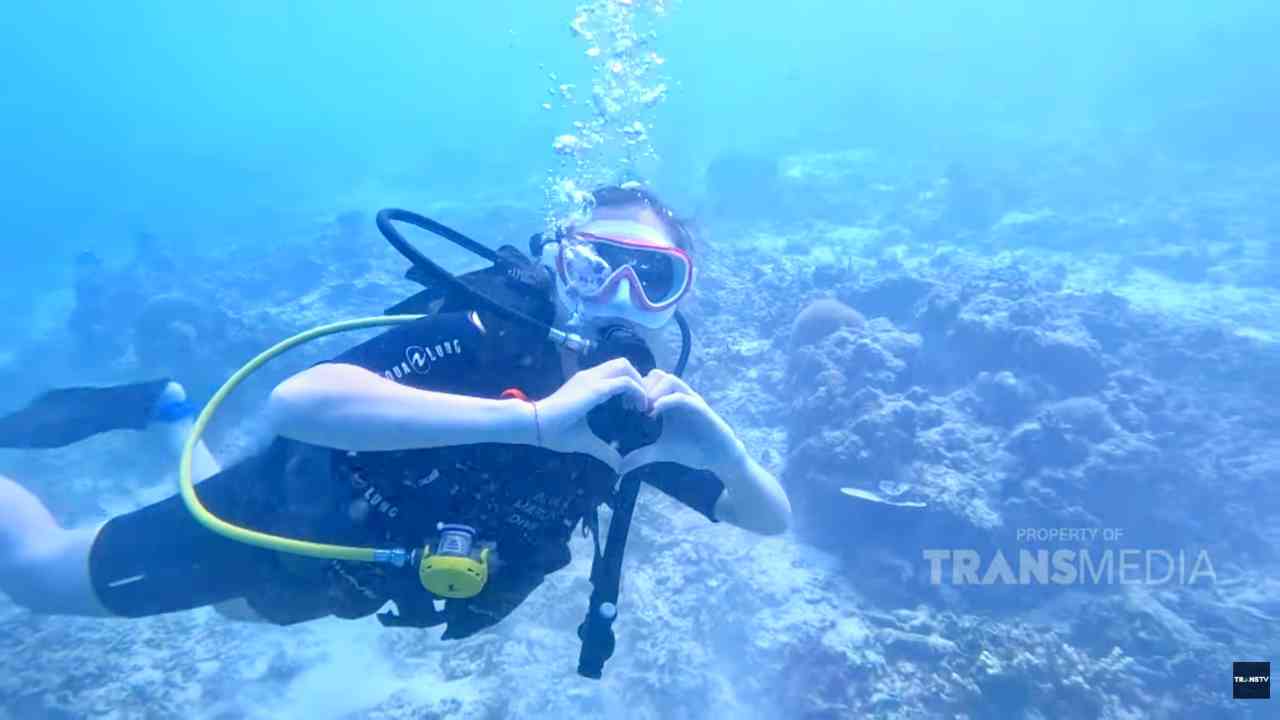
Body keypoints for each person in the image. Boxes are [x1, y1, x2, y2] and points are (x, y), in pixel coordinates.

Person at [0, 185, 791, 641]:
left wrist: (731, 461)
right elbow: (297, 402)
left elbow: (768, 519)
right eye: (594, 266)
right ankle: (157, 419)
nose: (618, 297)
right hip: (279, 515)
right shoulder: (484, 337)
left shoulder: (638, 418)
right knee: (36, 575)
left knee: (242, 614)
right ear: (556, 264)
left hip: (347, 579)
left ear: (674, 301)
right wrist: (534, 423)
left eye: (652, 278)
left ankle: (167, 411)